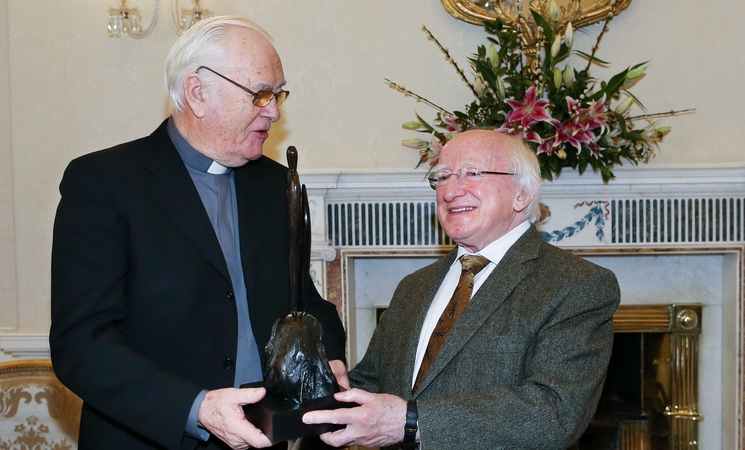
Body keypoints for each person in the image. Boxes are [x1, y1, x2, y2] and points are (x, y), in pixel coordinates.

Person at [50, 16, 347, 450]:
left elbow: (305, 303)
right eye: (260, 93)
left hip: (263, 438)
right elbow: (82, 344)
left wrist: (328, 358)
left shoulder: (276, 186)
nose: (275, 110)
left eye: (278, 93)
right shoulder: (103, 182)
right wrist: (196, 407)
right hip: (151, 437)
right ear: (197, 92)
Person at [303, 129, 620, 449]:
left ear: (522, 194)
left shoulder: (575, 284)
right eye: (441, 177)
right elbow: (372, 384)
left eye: (472, 173)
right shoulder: (414, 287)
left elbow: (556, 412)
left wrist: (412, 422)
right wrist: (311, 396)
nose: (450, 191)